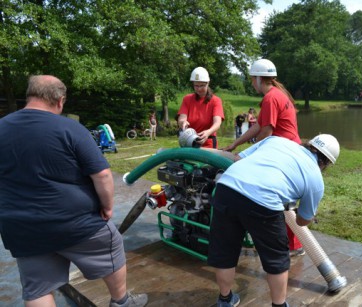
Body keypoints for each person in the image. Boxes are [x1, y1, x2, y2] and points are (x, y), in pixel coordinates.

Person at [0, 75, 147, 307]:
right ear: (60, 100)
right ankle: (121, 301)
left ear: (29, 95)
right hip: (76, 223)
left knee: (38, 288)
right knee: (113, 246)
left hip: (22, 228)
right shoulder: (70, 128)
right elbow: (103, 175)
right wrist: (107, 207)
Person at [208, 134, 340, 307]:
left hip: (226, 189)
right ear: (326, 163)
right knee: (276, 259)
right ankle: (279, 305)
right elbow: (301, 222)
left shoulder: (276, 140)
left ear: (309, 144)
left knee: (224, 252)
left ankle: (225, 300)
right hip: (264, 203)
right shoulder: (316, 179)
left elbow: (238, 158)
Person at [222, 59, 304, 257]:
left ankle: (290, 247)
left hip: (284, 153)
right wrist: (236, 144)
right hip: (289, 151)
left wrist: (252, 156)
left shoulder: (270, 98)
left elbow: (266, 131)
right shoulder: (277, 95)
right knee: (284, 200)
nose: (252, 83)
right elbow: (260, 126)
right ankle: (290, 245)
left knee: (283, 202)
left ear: (259, 78)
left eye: (252, 80)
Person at [177, 67, 225, 148]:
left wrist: (208, 132)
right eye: (196, 86)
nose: (199, 89)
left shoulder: (216, 101)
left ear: (208, 83)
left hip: (208, 142)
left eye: (202, 85)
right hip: (189, 141)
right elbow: (182, 118)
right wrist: (182, 122)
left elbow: (217, 123)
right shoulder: (187, 99)